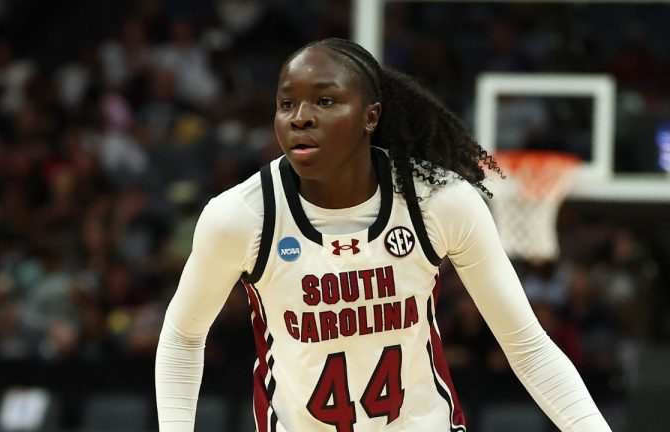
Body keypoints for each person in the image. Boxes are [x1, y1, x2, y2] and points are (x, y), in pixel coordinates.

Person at [155, 38, 611, 431]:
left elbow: (527, 347)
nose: (300, 117)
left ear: (370, 116)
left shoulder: (438, 201)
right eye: (286, 103)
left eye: (325, 101)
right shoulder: (240, 217)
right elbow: (182, 337)